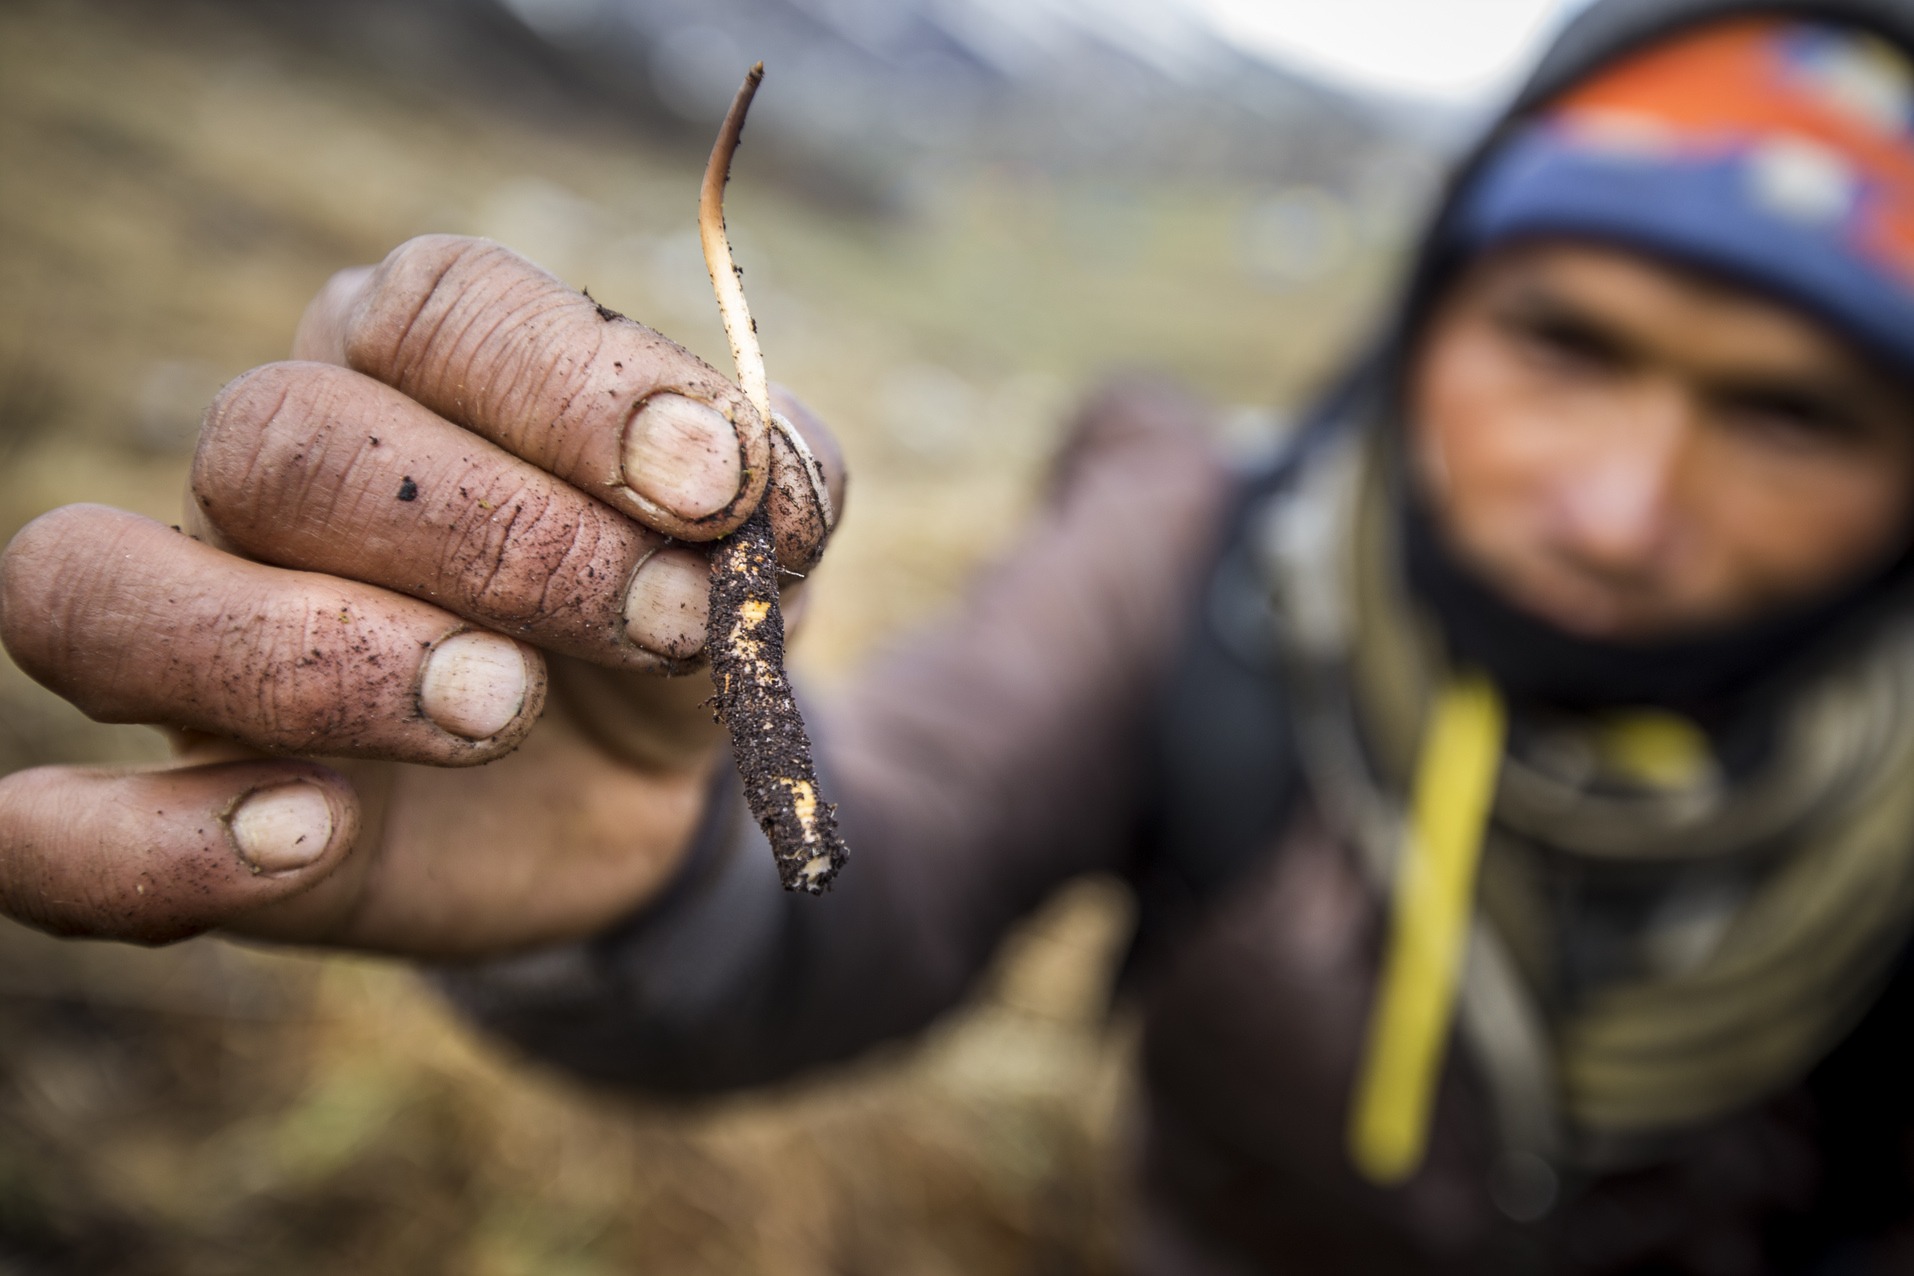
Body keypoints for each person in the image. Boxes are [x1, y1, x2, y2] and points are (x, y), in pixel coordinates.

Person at [9, 0, 1914, 1268]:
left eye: (1790, 412)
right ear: (1425, 327)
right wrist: (640, 886)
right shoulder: (1196, 556)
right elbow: (890, 840)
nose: (1619, 507)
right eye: (1562, 345)